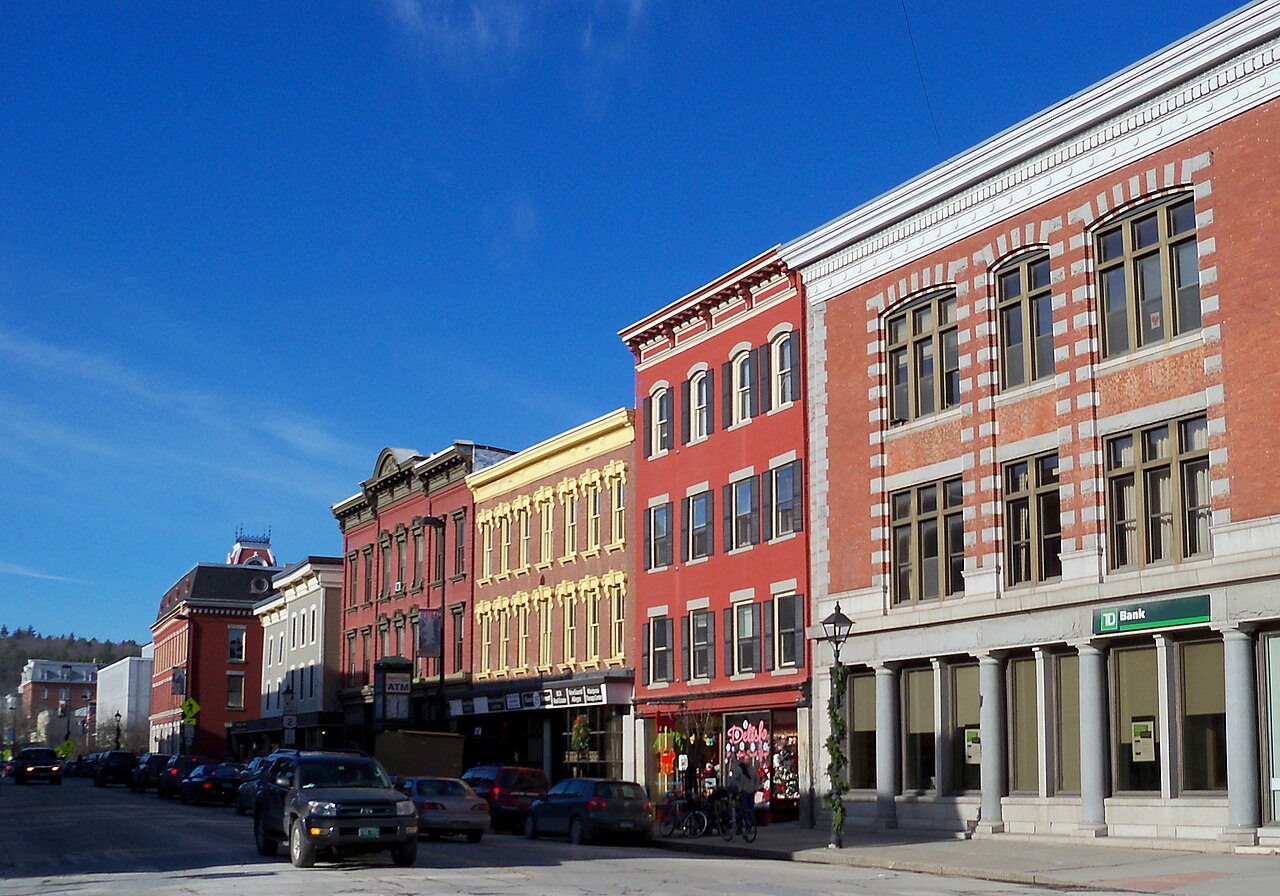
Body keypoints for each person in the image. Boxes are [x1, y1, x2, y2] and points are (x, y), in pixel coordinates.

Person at [728, 755, 759, 826]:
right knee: (745, 808)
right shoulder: (739, 769)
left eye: (749, 760)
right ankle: (745, 823)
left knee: (751, 808)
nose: (748, 761)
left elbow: (756, 779)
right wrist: (739, 788)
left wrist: (755, 788)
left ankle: (750, 823)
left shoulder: (753, 769)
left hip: (751, 791)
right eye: (747, 760)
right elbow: (734, 779)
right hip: (743, 792)